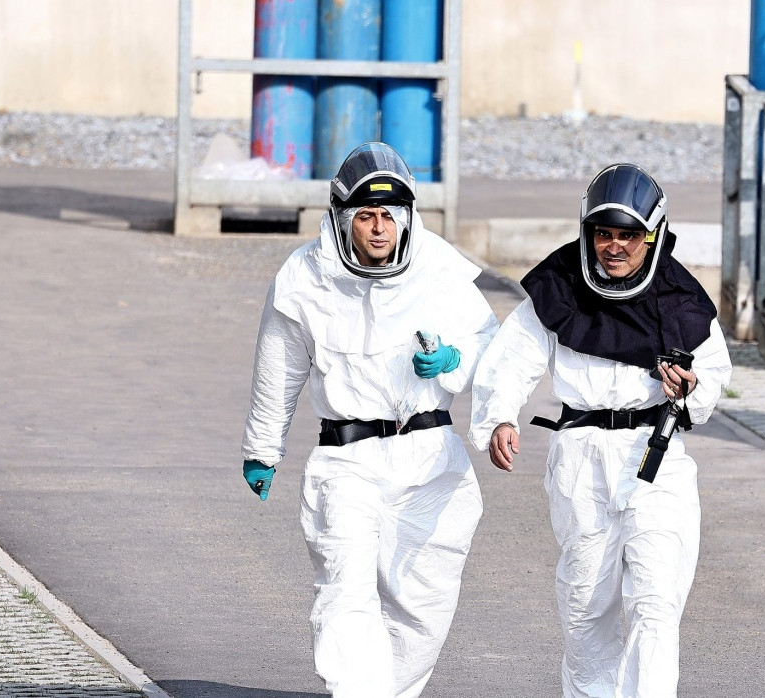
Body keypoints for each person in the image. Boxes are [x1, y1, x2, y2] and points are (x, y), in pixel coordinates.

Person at [241, 142, 498, 697]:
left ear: (406, 218)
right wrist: (263, 449)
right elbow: (279, 364)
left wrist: (454, 359)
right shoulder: (305, 276)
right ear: (341, 218)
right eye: (365, 216)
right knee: (345, 591)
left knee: (422, 604)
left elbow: (490, 346)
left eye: (388, 216)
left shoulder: (438, 267)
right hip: (347, 459)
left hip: (431, 460)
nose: (378, 229)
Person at [468, 163, 732, 697]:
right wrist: (499, 416)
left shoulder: (682, 298)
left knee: (655, 603)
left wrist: (689, 388)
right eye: (603, 233)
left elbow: (712, 385)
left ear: (651, 235)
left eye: (628, 235)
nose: (615, 246)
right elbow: (511, 358)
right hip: (579, 458)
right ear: (587, 230)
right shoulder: (559, 286)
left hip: (655, 457)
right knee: (586, 607)